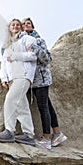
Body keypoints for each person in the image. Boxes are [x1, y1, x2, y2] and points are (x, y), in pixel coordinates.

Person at [22, 17, 67, 149]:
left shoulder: (39, 40)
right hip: (33, 81)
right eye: (23, 24)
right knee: (47, 106)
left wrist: (35, 47)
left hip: (41, 80)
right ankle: (57, 133)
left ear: (32, 26)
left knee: (43, 107)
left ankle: (46, 138)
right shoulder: (22, 42)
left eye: (28, 23)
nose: (26, 25)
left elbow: (47, 59)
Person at [0, 19, 37, 146]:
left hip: (24, 76)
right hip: (13, 78)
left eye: (18, 24)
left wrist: (15, 56)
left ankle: (9, 131)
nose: (16, 26)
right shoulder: (7, 45)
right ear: (9, 28)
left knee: (10, 100)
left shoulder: (28, 39)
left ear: (21, 28)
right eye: (13, 24)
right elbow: (4, 63)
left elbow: (33, 55)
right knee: (22, 106)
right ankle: (29, 135)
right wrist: (4, 78)